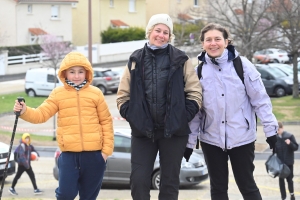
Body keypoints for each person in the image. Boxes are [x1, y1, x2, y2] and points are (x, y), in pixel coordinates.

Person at [116, 13, 202, 200]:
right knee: (138, 181)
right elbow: (122, 95)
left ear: (169, 36)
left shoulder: (181, 59)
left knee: (169, 182)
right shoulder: (135, 59)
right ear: (150, 32)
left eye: (166, 32)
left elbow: (195, 92)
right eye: (158, 30)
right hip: (143, 132)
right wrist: (134, 116)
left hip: (173, 132)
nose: (161, 35)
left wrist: (182, 116)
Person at [188, 23, 278, 200]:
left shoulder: (242, 65)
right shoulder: (198, 71)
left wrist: (271, 132)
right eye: (208, 40)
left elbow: (260, 100)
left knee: (247, 185)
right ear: (202, 44)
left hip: (241, 138)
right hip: (211, 140)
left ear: (226, 42)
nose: (213, 43)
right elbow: (196, 112)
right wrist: (190, 143)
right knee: (218, 189)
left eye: (217, 39)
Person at [13, 52, 114, 200]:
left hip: (94, 156)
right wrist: (24, 111)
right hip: (69, 156)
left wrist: (105, 152)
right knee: (65, 195)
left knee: (88, 197)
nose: (77, 76)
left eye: (80, 71)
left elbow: (106, 121)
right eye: (72, 72)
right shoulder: (58, 94)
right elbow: (41, 114)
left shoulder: (96, 94)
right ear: (64, 73)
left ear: (87, 72)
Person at [276, 121, 298, 200]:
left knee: (289, 180)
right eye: (276, 130)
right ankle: (283, 197)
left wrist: (290, 143)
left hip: (288, 163)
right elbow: (275, 151)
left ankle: (292, 195)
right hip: (280, 164)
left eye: (278, 129)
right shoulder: (276, 138)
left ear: (282, 128)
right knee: (281, 181)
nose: (277, 131)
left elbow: (296, 147)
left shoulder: (289, 136)